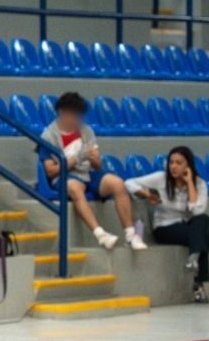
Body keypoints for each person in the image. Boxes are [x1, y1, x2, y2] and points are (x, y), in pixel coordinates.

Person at [40, 92, 146, 250]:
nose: (76, 119)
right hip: (65, 175)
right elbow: (50, 171)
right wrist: (77, 158)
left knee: (117, 183)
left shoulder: (86, 131)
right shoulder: (48, 136)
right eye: (73, 114)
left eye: (78, 115)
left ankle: (131, 235)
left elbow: (97, 166)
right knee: (75, 188)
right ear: (62, 112)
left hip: (88, 173)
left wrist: (94, 159)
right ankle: (100, 234)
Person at [125, 146, 209, 303]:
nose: (174, 166)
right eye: (171, 162)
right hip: (164, 228)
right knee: (204, 236)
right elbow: (128, 183)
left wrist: (190, 183)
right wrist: (146, 194)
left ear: (188, 166)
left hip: (187, 226)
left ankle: (194, 256)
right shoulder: (161, 178)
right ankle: (198, 283)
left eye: (179, 163)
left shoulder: (200, 184)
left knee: (203, 220)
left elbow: (197, 212)